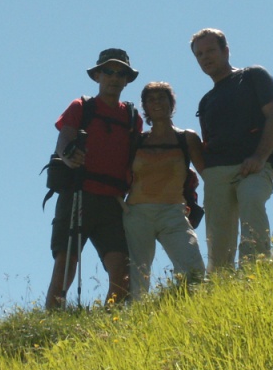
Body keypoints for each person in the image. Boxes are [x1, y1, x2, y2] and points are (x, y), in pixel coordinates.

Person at [44, 48, 142, 309]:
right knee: (66, 264)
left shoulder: (132, 117)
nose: (114, 78)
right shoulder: (81, 106)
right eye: (108, 71)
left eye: (121, 73)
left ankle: (110, 320)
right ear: (97, 76)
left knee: (122, 270)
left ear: (127, 80)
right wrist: (68, 155)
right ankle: (52, 321)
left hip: (113, 202)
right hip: (78, 194)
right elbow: (64, 139)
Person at [190, 28, 273, 271]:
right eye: (199, 54)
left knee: (252, 199)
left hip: (254, 165)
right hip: (217, 173)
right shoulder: (206, 100)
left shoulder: (253, 76)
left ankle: (256, 273)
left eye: (210, 50)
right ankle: (221, 284)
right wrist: (208, 175)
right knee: (218, 237)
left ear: (226, 51)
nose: (205, 57)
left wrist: (260, 157)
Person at [123, 82, 207, 300]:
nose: (157, 103)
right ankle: (136, 315)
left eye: (162, 98)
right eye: (151, 100)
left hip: (173, 212)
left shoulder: (187, 138)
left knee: (193, 268)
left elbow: (206, 173)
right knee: (137, 273)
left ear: (172, 103)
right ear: (145, 107)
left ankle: (195, 308)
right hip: (137, 213)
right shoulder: (137, 140)